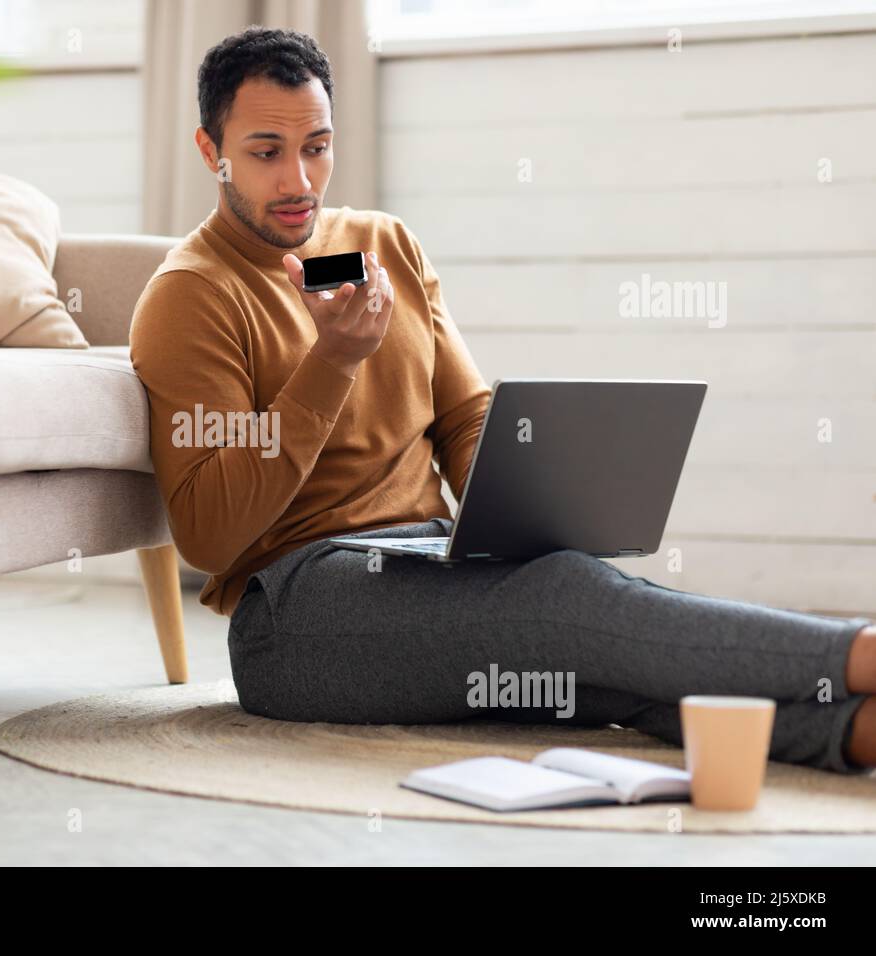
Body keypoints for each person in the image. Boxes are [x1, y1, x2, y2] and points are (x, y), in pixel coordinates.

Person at [129, 26, 876, 773]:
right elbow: (208, 537)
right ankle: (860, 653)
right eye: (266, 153)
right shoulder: (191, 296)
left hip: (428, 560)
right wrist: (332, 362)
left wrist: (529, 509)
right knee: (566, 605)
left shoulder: (384, 244)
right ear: (210, 151)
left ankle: (855, 732)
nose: (299, 179)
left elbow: (463, 419)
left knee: (610, 671)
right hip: (295, 613)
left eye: (317, 146)